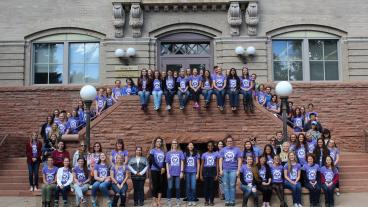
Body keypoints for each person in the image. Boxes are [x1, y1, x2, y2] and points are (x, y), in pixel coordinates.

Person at [219, 135, 242, 206]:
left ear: (233, 142)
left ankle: (232, 201)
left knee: (232, 185)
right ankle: (227, 201)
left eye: (231, 141)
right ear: (226, 142)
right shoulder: (223, 150)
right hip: (225, 170)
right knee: (225, 186)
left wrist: (238, 170)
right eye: (228, 141)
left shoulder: (237, 149)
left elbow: (239, 160)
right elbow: (220, 159)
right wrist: (220, 170)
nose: (229, 142)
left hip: (233, 170)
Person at [165, 139, 185, 207]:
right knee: (170, 188)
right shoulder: (168, 153)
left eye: (176, 143)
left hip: (178, 173)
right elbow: (167, 163)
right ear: (171, 144)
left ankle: (178, 201)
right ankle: (169, 201)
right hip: (170, 173)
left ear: (177, 144)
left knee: (178, 188)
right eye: (173, 143)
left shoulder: (180, 152)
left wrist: (181, 172)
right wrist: (167, 173)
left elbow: (182, 162)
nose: (174, 144)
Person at [148, 137, 167, 207]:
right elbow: (152, 161)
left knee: (160, 186)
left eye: (160, 142)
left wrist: (163, 168)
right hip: (154, 170)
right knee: (155, 186)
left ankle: (159, 201)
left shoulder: (163, 151)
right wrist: (160, 168)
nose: (159, 143)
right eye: (157, 141)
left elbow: (165, 161)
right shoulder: (152, 151)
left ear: (161, 143)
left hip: (162, 171)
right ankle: (154, 201)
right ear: (155, 143)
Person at [200, 141, 218, 206]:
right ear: (207, 147)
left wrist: (217, 174)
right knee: (206, 187)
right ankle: (206, 201)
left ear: (213, 147)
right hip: (206, 170)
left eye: (211, 146)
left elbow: (217, 165)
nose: (210, 147)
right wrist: (200, 174)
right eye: (209, 146)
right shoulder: (204, 154)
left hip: (213, 170)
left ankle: (212, 201)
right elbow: (201, 165)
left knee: (212, 187)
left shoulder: (216, 154)